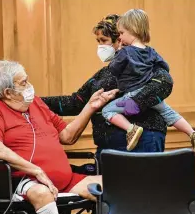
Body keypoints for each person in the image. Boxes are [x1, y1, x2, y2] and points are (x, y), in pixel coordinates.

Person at [0, 60, 118, 214]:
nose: (29, 86)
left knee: (112, 186)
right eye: (23, 83)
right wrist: (36, 170)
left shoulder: (36, 104)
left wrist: (90, 107)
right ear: (8, 93)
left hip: (63, 180)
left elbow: (67, 136)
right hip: (21, 181)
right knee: (42, 192)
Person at [42, 14, 172, 162]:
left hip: (143, 141)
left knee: (141, 185)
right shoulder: (104, 73)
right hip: (107, 147)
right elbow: (75, 102)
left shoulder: (145, 61)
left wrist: (133, 103)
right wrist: (36, 102)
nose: (100, 46)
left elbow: (164, 82)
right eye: (98, 41)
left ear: (120, 39)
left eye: (104, 40)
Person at [101, 9, 195, 154]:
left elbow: (112, 69)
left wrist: (117, 53)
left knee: (107, 110)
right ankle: (192, 134)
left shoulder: (125, 52)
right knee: (169, 113)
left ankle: (131, 129)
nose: (120, 37)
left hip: (133, 94)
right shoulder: (151, 51)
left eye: (122, 33)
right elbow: (165, 67)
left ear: (133, 30)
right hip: (150, 94)